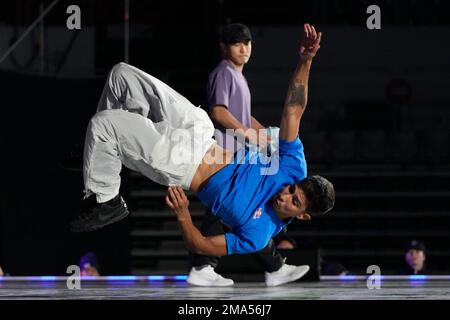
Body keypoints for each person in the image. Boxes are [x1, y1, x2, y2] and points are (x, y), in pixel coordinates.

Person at [70, 24, 334, 285]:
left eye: (294, 201)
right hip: (200, 131)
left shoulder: (258, 233)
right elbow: (293, 109)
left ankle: (107, 201)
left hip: (182, 163)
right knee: (121, 74)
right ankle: (95, 156)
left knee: (104, 124)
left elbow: (203, 245)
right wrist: (306, 60)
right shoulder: (294, 166)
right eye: (292, 189)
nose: (284, 194)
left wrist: (183, 214)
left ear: (302, 215)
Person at [187, 23, 303, 287]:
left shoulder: (239, 76)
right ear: (223, 47)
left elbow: (242, 115)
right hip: (224, 153)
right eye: (237, 43)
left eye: (247, 43)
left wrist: (265, 134)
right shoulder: (224, 72)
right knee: (223, 210)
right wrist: (246, 133)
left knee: (246, 213)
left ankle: (273, 268)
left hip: (237, 154)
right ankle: (203, 266)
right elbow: (218, 111)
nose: (244, 48)